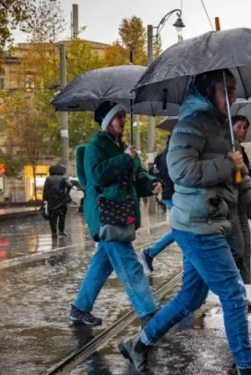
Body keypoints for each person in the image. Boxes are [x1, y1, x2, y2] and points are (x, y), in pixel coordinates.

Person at [117, 69, 251, 375]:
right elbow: (181, 171)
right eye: (227, 91)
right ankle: (246, 368)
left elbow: (242, 183)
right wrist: (226, 164)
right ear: (209, 91)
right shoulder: (190, 125)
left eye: (234, 91)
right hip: (197, 225)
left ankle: (138, 344)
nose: (233, 98)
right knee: (234, 295)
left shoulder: (224, 131)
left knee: (189, 298)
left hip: (208, 222)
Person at [70, 101, 163, 327]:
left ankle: (79, 308)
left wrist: (153, 184)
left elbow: (138, 176)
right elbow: (96, 175)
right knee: (129, 263)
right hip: (107, 213)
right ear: (106, 122)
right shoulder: (96, 146)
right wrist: (124, 159)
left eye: (123, 116)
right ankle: (148, 312)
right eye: (117, 117)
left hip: (122, 211)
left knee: (102, 263)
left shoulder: (126, 148)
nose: (122, 120)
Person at [228, 115, 251, 311]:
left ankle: (241, 296)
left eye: (246, 128)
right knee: (236, 250)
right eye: (239, 126)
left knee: (245, 250)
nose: (243, 131)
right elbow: (231, 177)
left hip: (242, 207)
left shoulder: (240, 150)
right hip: (230, 207)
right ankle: (232, 294)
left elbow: (245, 177)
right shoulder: (227, 148)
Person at [141, 136, 176, 272]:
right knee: (182, 229)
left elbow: (153, 174)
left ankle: (151, 252)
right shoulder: (173, 155)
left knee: (182, 229)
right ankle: (151, 252)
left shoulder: (161, 156)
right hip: (175, 196)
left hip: (168, 196)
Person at [42, 163, 72, 237]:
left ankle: (54, 232)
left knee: (52, 217)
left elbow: (45, 189)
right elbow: (70, 185)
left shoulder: (48, 179)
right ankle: (61, 231)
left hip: (52, 201)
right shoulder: (64, 178)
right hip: (62, 200)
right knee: (62, 216)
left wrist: (45, 199)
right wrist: (66, 193)